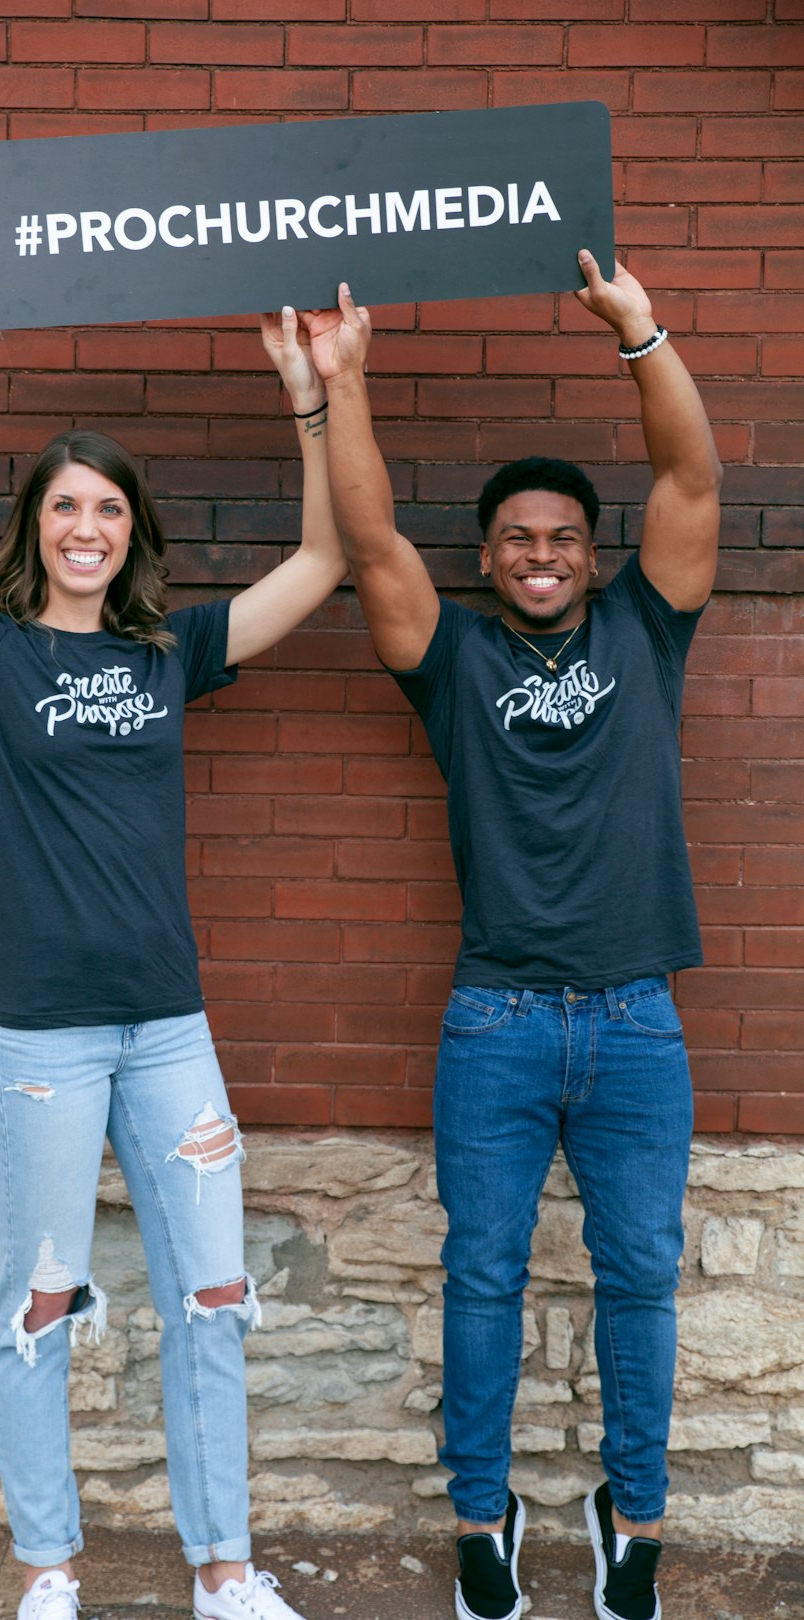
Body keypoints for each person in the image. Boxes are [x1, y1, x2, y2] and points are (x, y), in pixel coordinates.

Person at [0, 213, 346, 1620]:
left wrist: (307, 393)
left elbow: (319, 565)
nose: (85, 527)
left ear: (133, 533)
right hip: (40, 1042)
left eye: (108, 510)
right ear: (34, 527)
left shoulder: (169, 650)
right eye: (63, 506)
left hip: (168, 1029)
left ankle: (225, 1571)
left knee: (214, 1299)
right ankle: (50, 1569)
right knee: (41, 1310)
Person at [304, 253, 721, 1620]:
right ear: (487, 558)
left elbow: (692, 484)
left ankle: (634, 1520)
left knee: (641, 1280)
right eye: (517, 539)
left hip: (634, 1022)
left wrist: (639, 333)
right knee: (479, 1278)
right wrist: (344, 380)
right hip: (494, 1021)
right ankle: (482, 1519)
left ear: (589, 555)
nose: (541, 554)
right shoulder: (454, 661)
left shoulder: (649, 634)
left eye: (562, 537)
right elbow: (369, 545)